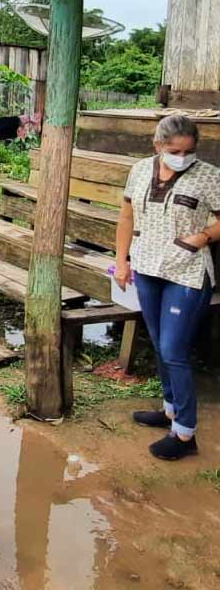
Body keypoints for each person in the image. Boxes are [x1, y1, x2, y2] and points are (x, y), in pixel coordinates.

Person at [115, 114, 220, 461]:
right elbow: (127, 216)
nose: (182, 157)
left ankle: (185, 433)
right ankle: (170, 408)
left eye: (189, 151)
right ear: (158, 145)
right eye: (175, 151)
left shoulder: (209, 176)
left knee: (174, 349)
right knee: (160, 345)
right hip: (147, 267)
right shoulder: (139, 170)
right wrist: (122, 261)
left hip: (187, 272)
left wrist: (202, 236)